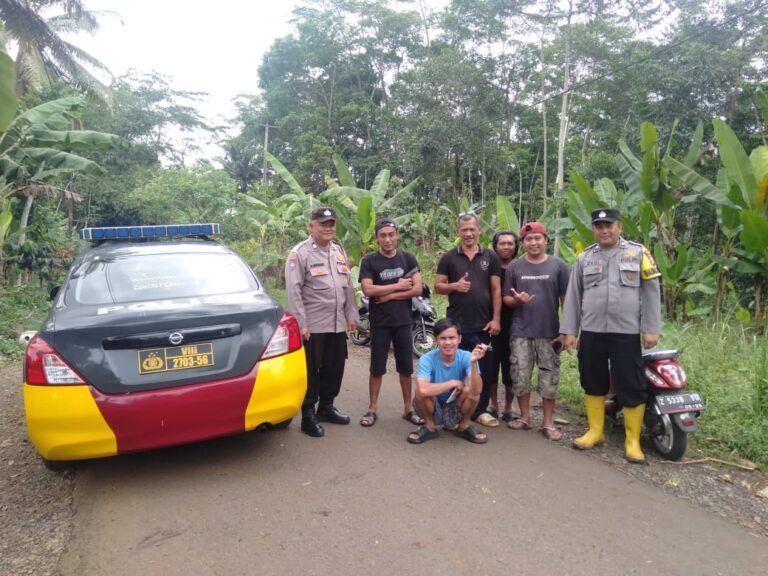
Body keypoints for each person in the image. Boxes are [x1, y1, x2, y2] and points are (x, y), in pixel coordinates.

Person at [560, 207, 662, 462]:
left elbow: (652, 292)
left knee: (631, 383)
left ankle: (632, 441)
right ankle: (595, 432)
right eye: (598, 226)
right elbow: (573, 296)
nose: (604, 230)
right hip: (593, 331)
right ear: (593, 229)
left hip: (625, 332)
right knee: (592, 379)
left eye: (609, 226)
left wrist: (651, 327)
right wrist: (570, 331)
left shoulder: (638, 253)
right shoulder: (585, 258)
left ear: (619, 227)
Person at [285, 207, 358, 438]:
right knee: (311, 372)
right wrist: (301, 323)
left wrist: (352, 315)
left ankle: (326, 407)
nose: (328, 228)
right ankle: (308, 415)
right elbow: (294, 291)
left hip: (337, 324)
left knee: (335, 368)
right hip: (313, 326)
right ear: (311, 226)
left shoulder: (338, 251)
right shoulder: (300, 253)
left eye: (331, 224)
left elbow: (346, 286)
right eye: (323, 224)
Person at [502, 222, 570, 440]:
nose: (533, 243)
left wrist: (567, 330)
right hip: (520, 331)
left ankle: (548, 423)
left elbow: (566, 300)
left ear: (545, 240)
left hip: (550, 333)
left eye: (537, 238)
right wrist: (516, 300)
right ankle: (524, 417)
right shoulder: (514, 267)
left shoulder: (559, 266)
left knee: (549, 379)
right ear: (523, 243)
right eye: (529, 239)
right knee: (520, 376)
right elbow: (506, 299)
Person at [434, 212, 502, 428]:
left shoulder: (490, 257)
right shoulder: (449, 257)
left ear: (479, 230)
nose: (469, 233)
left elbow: (496, 289)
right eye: (464, 230)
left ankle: (480, 410)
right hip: (457, 326)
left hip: (484, 324)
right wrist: (454, 286)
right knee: (456, 368)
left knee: (484, 368)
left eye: (472, 229)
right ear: (458, 232)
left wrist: (496, 318)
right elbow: (437, 286)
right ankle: (452, 411)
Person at [358, 218, 424, 427]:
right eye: (383, 235)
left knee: (405, 368)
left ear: (397, 236)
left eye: (391, 234)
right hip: (380, 323)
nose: (387, 239)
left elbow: (417, 289)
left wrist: (389, 296)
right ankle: (372, 409)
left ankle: (408, 408)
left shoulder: (408, 259)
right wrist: (398, 285)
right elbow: (368, 290)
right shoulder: (369, 261)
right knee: (376, 367)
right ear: (377, 238)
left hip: (403, 322)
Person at [407, 318, 489, 445]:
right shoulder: (426, 359)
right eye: (443, 338)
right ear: (436, 340)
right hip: (433, 405)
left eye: (452, 338)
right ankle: (429, 427)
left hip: (455, 404)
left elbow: (477, 391)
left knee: (470, 390)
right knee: (419, 390)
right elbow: (423, 389)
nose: (448, 342)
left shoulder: (467, 356)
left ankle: (463, 426)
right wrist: (452, 383)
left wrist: (473, 363)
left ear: (459, 339)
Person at [489, 230, 520, 422]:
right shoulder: (489, 266)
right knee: (491, 366)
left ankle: (509, 407)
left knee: (511, 368)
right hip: (492, 322)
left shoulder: (521, 267)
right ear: (495, 246)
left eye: (510, 243)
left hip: (516, 324)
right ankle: (493, 405)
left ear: (516, 246)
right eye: (502, 243)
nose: (506, 247)